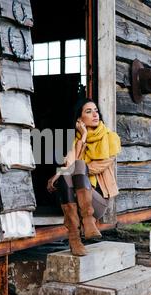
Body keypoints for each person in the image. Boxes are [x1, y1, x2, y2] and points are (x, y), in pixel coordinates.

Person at [47, 98, 121, 256]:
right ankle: (75, 238)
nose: (95, 114)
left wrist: (62, 172)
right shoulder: (78, 140)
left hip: (97, 201)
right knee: (70, 171)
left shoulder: (111, 138)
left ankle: (88, 218)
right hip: (75, 198)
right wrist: (84, 136)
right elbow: (69, 162)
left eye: (96, 111)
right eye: (89, 111)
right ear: (80, 119)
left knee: (78, 167)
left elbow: (97, 166)